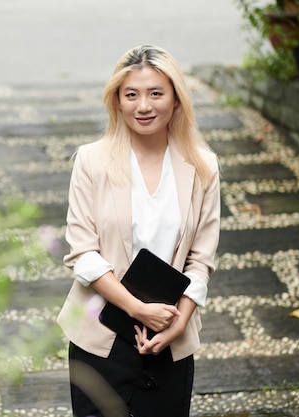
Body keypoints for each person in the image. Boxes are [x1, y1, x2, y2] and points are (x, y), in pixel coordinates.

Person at [57, 45, 221, 417]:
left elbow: (201, 260)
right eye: (131, 94)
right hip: (100, 332)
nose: (143, 106)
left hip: (169, 332)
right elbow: (82, 254)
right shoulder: (91, 161)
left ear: (176, 100)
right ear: (116, 100)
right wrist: (136, 308)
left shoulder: (203, 167)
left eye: (156, 93)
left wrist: (178, 321)